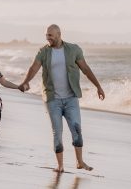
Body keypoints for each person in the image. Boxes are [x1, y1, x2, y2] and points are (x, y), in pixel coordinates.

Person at [19, 24, 105, 172]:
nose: (48, 38)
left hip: (71, 98)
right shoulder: (43, 51)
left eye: (50, 35)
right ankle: (60, 166)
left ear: (59, 34)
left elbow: (85, 69)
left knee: (76, 129)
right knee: (57, 132)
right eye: (46, 35)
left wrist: (98, 86)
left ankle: (79, 162)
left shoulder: (73, 49)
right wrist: (25, 81)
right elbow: (34, 68)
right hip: (53, 99)